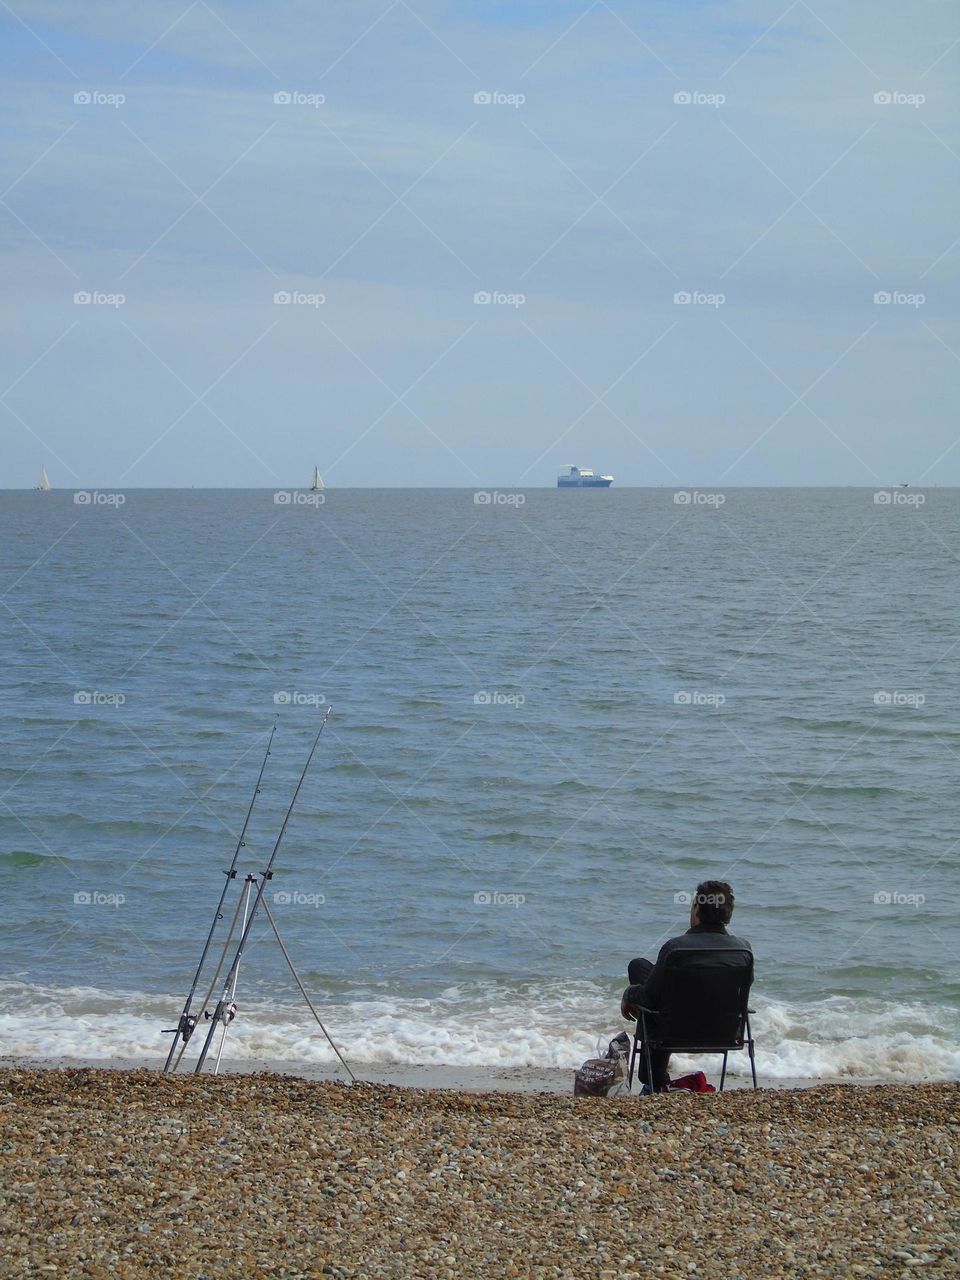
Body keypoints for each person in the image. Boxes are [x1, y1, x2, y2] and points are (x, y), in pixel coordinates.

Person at [620, 880, 751, 1092]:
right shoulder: (743, 951)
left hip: (673, 1030)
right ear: (728, 914)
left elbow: (648, 998)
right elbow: (741, 996)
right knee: (642, 969)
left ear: (697, 909)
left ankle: (654, 1079)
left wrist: (628, 994)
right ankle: (657, 1079)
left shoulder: (676, 949)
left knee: (639, 971)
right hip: (724, 1031)